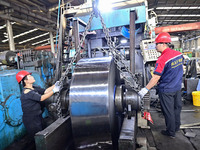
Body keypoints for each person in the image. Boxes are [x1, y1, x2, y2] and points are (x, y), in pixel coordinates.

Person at [138, 32, 184, 138]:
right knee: (177, 108)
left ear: (163, 44)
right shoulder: (178, 54)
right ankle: (176, 127)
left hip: (166, 90)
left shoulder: (162, 59)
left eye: (157, 44)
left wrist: (145, 89)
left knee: (169, 112)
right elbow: (180, 70)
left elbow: (155, 78)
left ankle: (171, 132)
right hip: (177, 88)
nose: (155, 46)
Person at [16, 70, 61, 139]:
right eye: (30, 76)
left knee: (42, 135)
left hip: (38, 116)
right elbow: (41, 98)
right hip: (31, 120)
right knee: (36, 138)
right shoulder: (27, 91)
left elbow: (45, 91)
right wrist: (54, 91)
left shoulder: (33, 88)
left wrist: (55, 85)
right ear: (25, 81)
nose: (32, 77)